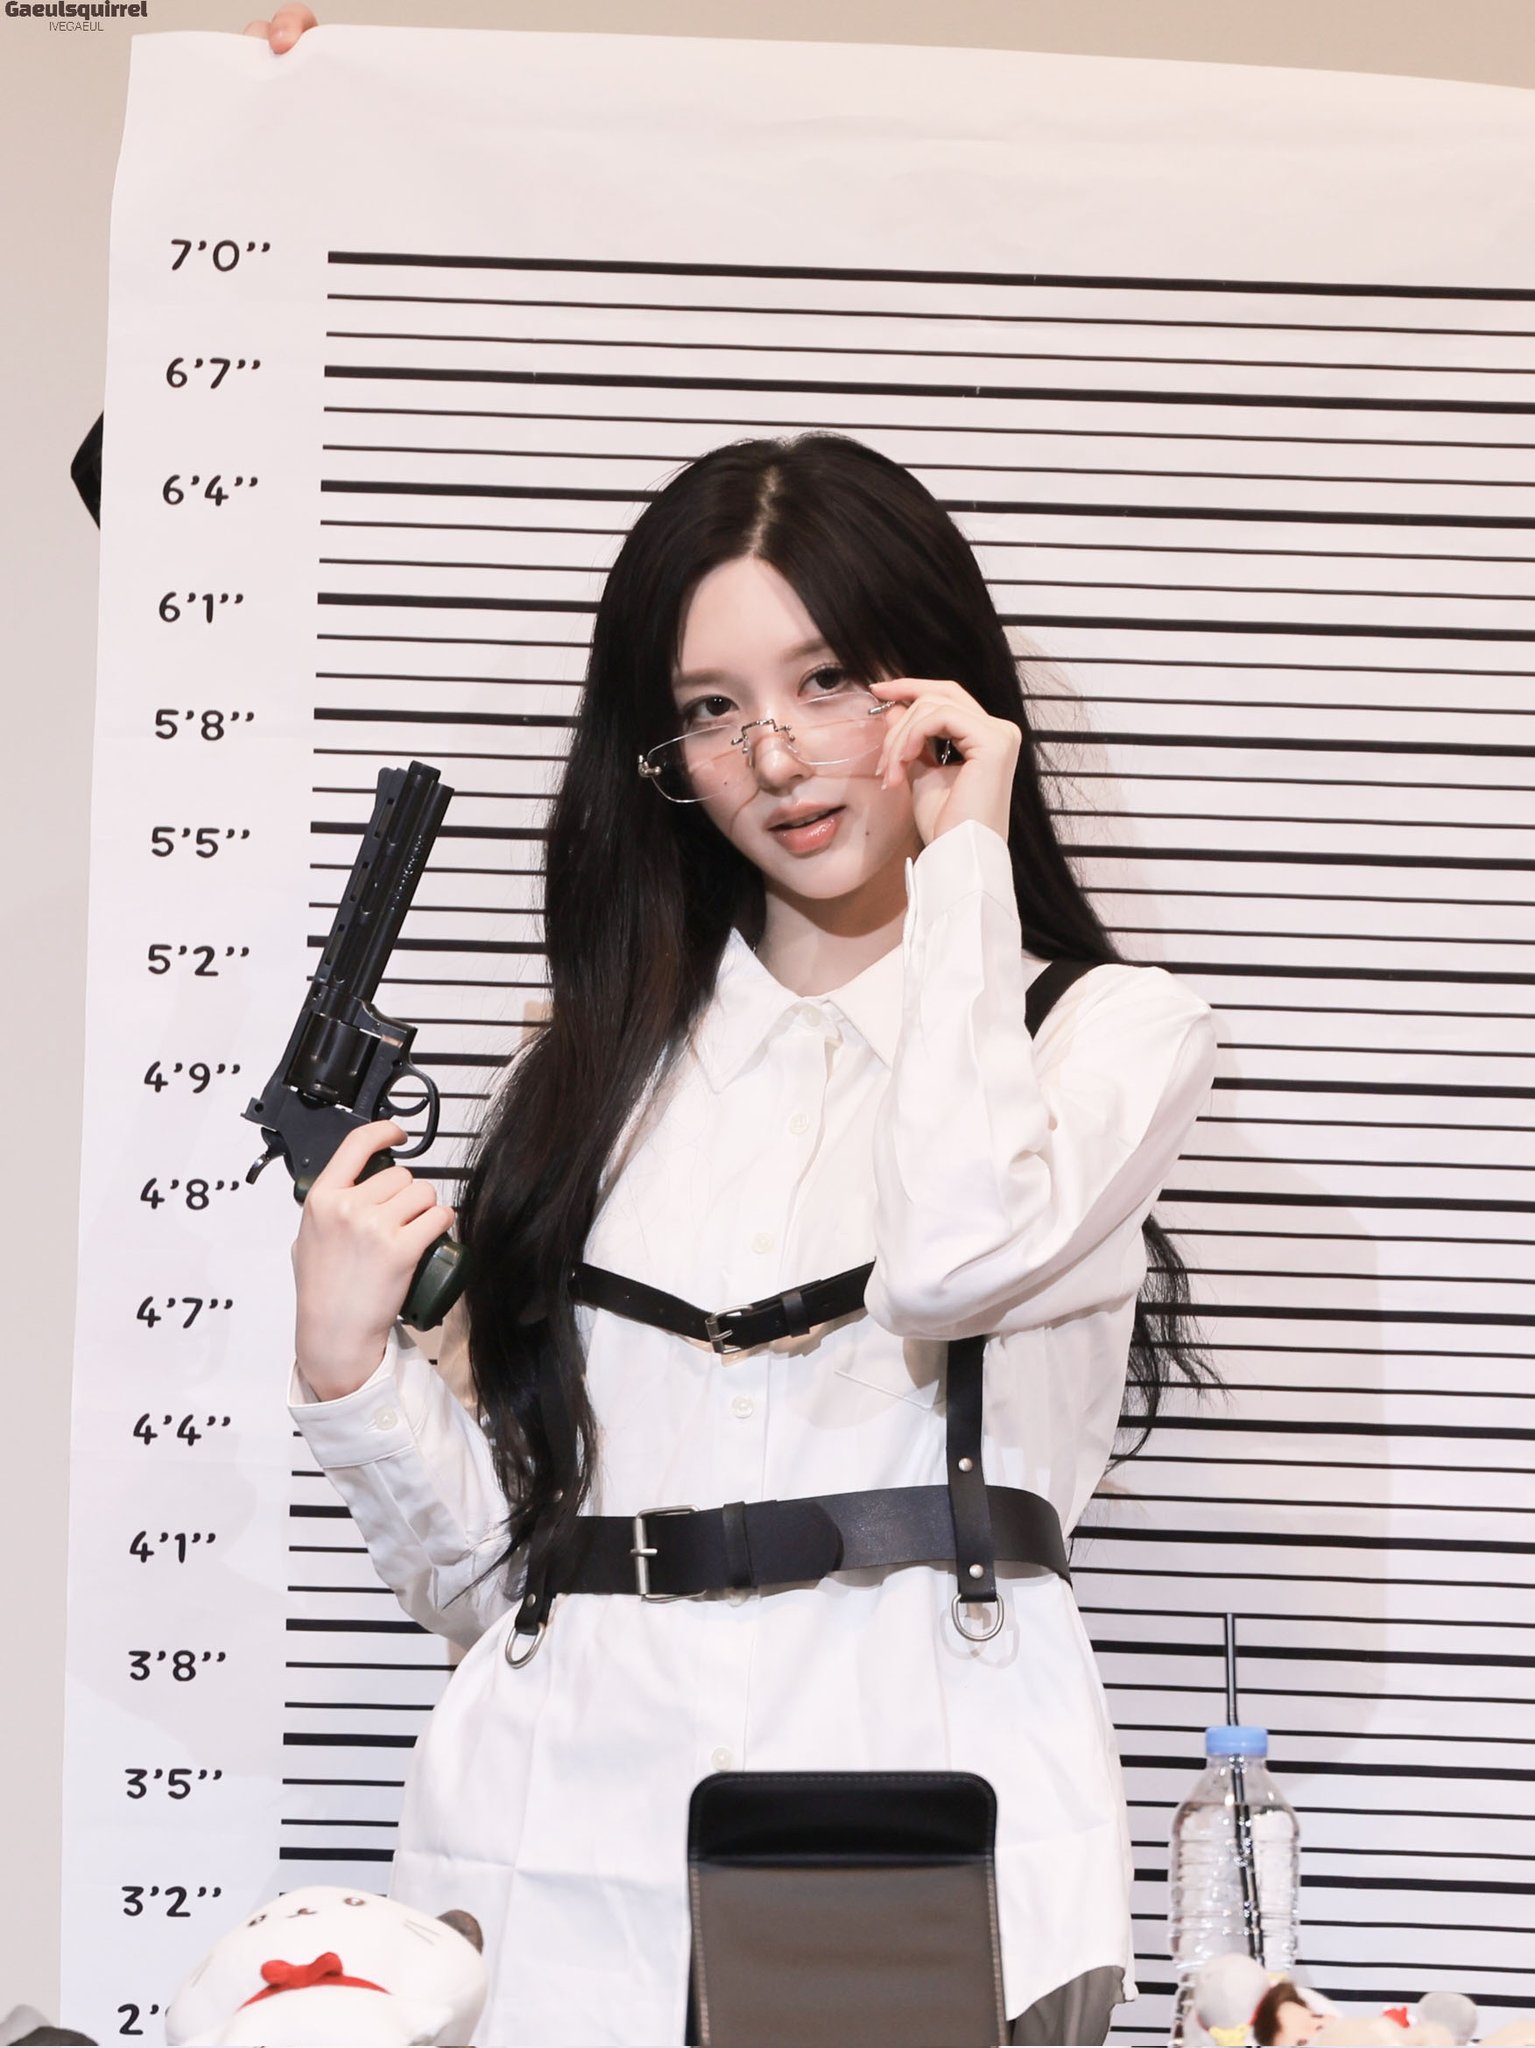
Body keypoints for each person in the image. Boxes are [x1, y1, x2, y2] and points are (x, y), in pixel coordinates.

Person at [287, 422, 1219, 2046]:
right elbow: (500, 1589)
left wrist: (969, 860)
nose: (776, 756)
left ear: (940, 694)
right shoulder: (583, 1079)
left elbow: (949, 1260)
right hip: (557, 1832)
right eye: (713, 710)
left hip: (920, 1820)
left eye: (830, 681)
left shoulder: (1103, 1038)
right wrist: (348, 1371)